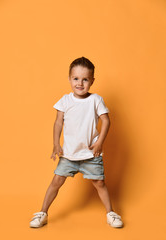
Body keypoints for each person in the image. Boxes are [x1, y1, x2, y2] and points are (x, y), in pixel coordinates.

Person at [29, 56, 123, 228]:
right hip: (69, 153)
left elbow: (106, 121)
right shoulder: (65, 101)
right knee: (56, 182)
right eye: (76, 78)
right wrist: (56, 144)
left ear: (92, 81)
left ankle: (111, 213)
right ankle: (43, 213)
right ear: (69, 79)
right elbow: (58, 123)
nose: (80, 83)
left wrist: (100, 142)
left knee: (100, 183)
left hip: (90, 153)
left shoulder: (96, 100)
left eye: (85, 79)